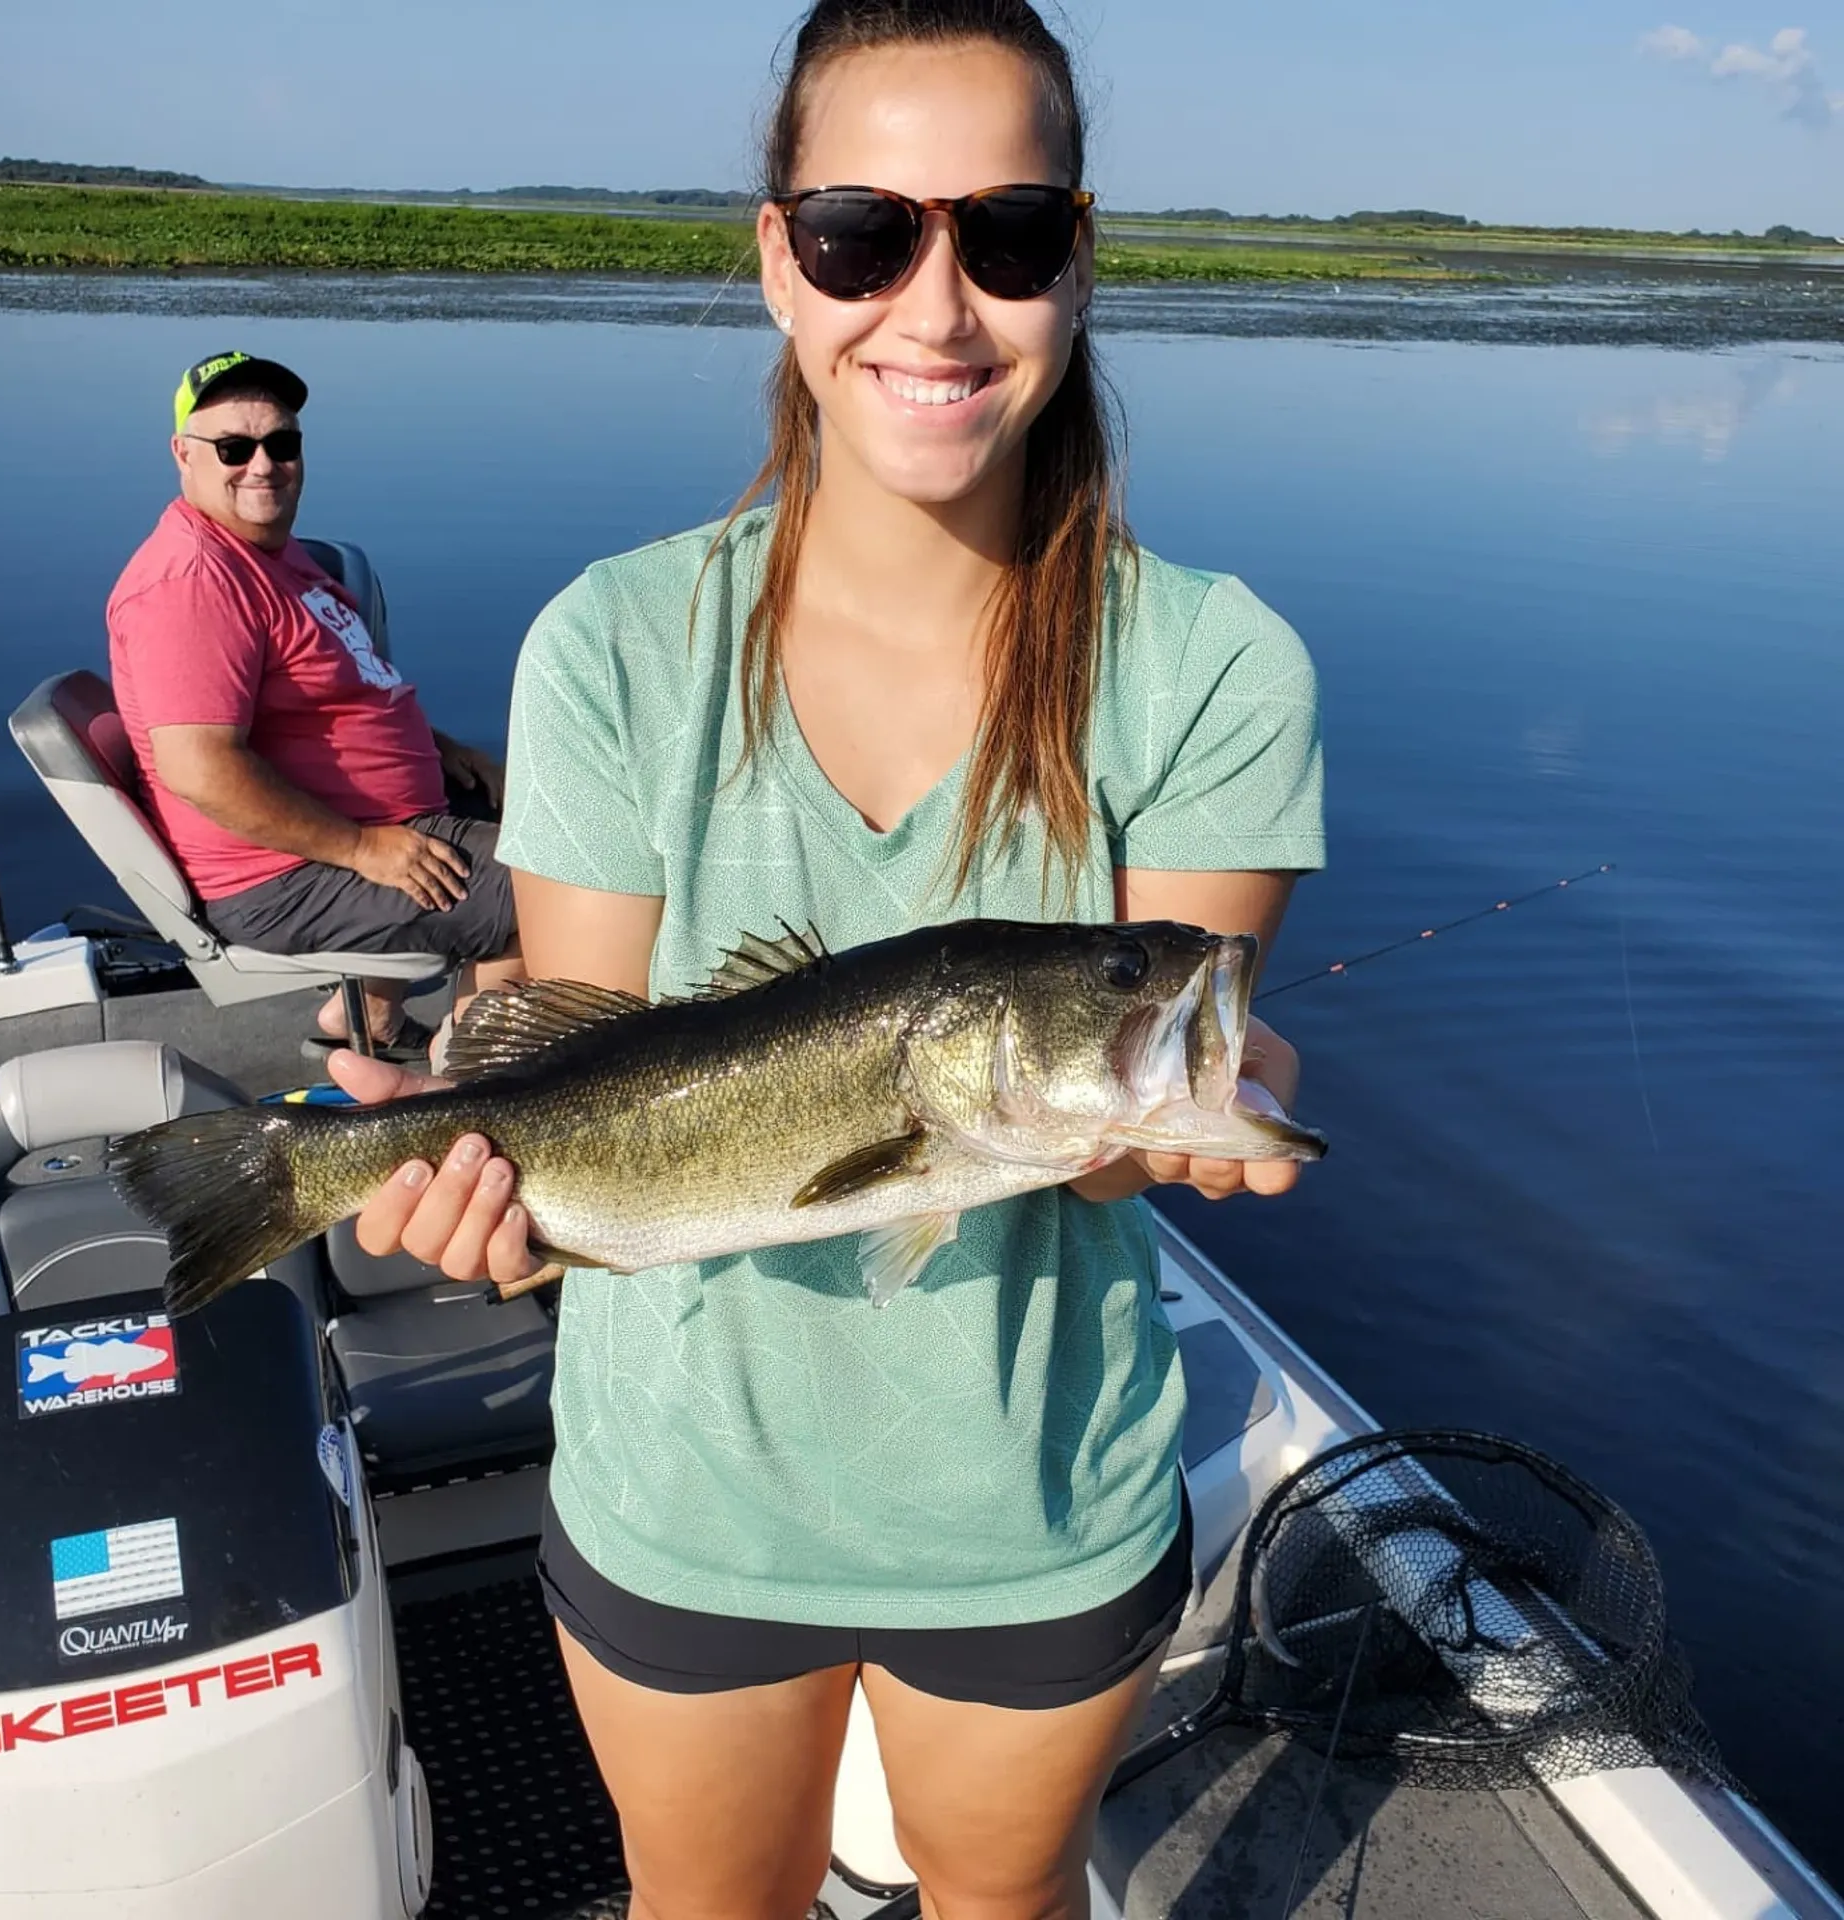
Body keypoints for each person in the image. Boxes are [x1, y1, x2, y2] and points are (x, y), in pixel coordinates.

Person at [335, 3, 1324, 1914]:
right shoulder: (613, 649)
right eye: (870, 233)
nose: (938, 307)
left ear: (1080, 255)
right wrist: (485, 1200)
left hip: (1033, 1508)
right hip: (680, 1497)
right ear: (782, 256)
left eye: (1011, 233)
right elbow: (577, 1078)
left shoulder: (1212, 666)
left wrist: (1209, 1104)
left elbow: (1164, 1074)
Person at [106, 349, 522, 1060]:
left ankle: (364, 1020)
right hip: (279, 877)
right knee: (562, 892)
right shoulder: (192, 583)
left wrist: (443, 748)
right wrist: (364, 850)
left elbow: (345, 691)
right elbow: (199, 769)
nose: (262, 464)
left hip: (369, 824)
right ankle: (467, 1089)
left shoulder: (271, 552)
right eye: (234, 447)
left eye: (282, 442)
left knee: (572, 819)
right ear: (183, 454)